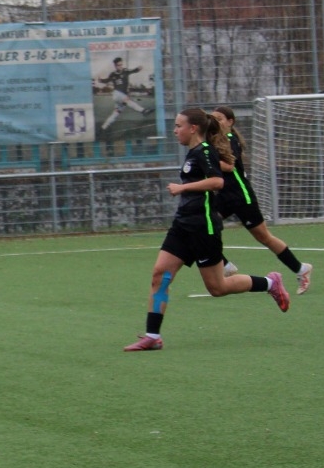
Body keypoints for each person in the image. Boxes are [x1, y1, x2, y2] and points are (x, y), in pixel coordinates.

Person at [124, 106, 291, 351]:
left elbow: (217, 181)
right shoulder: (193, 153)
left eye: (178, 126)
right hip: (183, 225)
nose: (175, 130)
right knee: (160, 274)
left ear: (193, 128)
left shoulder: (205, 151)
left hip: (204, 227)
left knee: (217, 288)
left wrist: (182, 188)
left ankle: (270, 283)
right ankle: (152, 336)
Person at [209, 105, 313, 293]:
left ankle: (301, 269)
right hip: (224, 197)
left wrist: (206, 160)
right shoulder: (215, 141)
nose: (216, 122)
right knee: (203, 226)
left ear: (230, 122)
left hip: (241, 197)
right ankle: (226, 267)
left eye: (220, 118)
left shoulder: (230, 139)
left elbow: (229, 166)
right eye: (213, 118)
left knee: (263, 237)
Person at [99, 57, 151, 131]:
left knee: (116, 112)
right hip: (117, 94)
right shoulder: (113, 74)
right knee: (127, 100)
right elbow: (107, 80)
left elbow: (133, 70)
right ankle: (143, 111)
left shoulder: (125, 71)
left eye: (121, 64)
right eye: (118, 65)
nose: (120, 66)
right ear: (115, 66)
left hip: (122, 96)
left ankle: (104, 127)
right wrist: (101, 80)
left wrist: (138, 69)